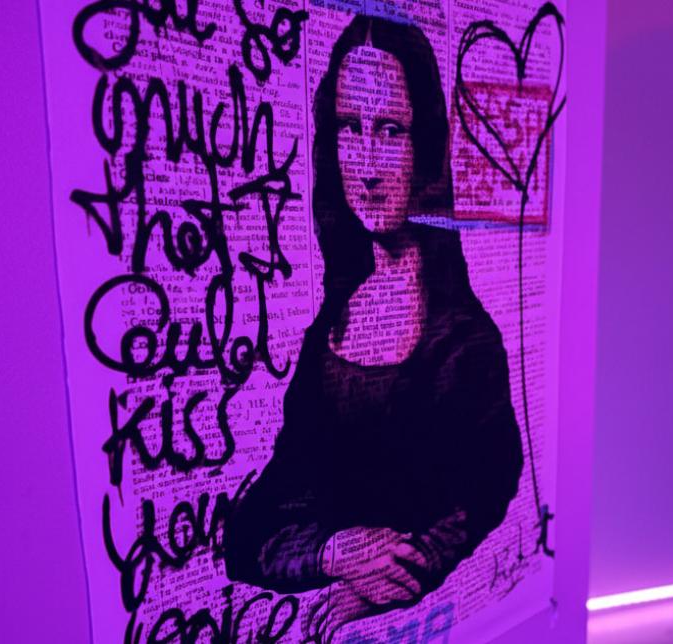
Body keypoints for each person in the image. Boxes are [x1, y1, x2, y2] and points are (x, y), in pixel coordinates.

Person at [222, 13, 523, 640]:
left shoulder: (466, 342)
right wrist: (336, 553)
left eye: (389, 130)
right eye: (349, 128)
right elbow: (253, 528)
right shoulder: (326, 335)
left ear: (424, 145)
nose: (366, 165)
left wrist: (403, 575)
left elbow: (486, 490)